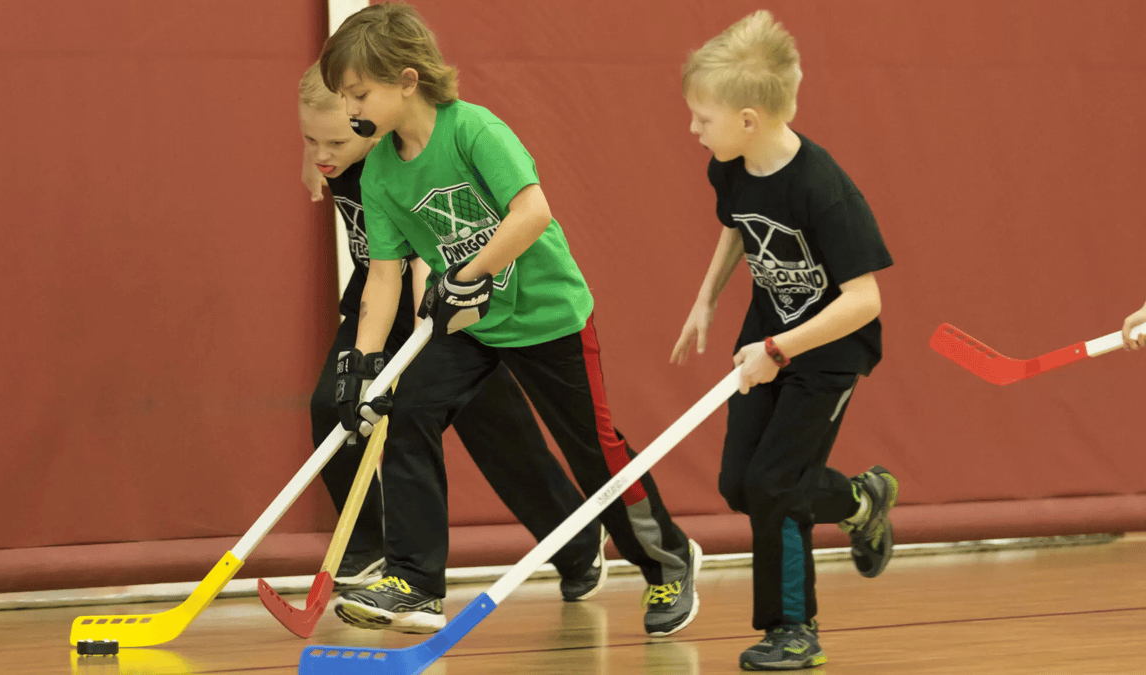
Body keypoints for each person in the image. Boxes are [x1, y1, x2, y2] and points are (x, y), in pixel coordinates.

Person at [319, 3, 701, 638]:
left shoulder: (474, 130)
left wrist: (467, 273)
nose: (349, 108)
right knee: (408, 411)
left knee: (594, 450)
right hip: (473, 324)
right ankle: (415, 583)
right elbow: (383, 276)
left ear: (407, 81)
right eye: (344, 96)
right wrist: (361, 363)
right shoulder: (380, 170)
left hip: (547, 315)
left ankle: (667, 561)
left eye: (359, 93)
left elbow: (532, 213)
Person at [297, 63, 608, 608]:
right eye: (309, 139)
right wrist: (315, 157)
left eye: (336, 141)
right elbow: (325, 150)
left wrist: (435, 328)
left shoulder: (398, 165)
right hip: (374, 310)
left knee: (503, 441)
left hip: (438, 311)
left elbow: (425, 258)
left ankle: (578, 543)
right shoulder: (338, 154)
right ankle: (369, 545)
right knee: (334, 404)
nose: (323, 153)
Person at [671, 11, 898, 670]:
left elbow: (865, 301)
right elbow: (739, 226)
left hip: (828, 353)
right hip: (768, 337)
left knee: (776, 483)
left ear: (748, 119)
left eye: (702, 118)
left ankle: (793, 628)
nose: (693, 129)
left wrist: (779, 351)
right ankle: (860, 501)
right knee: (740, 484)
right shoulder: (732, 165)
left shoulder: (823, 189)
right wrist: (706, 300)